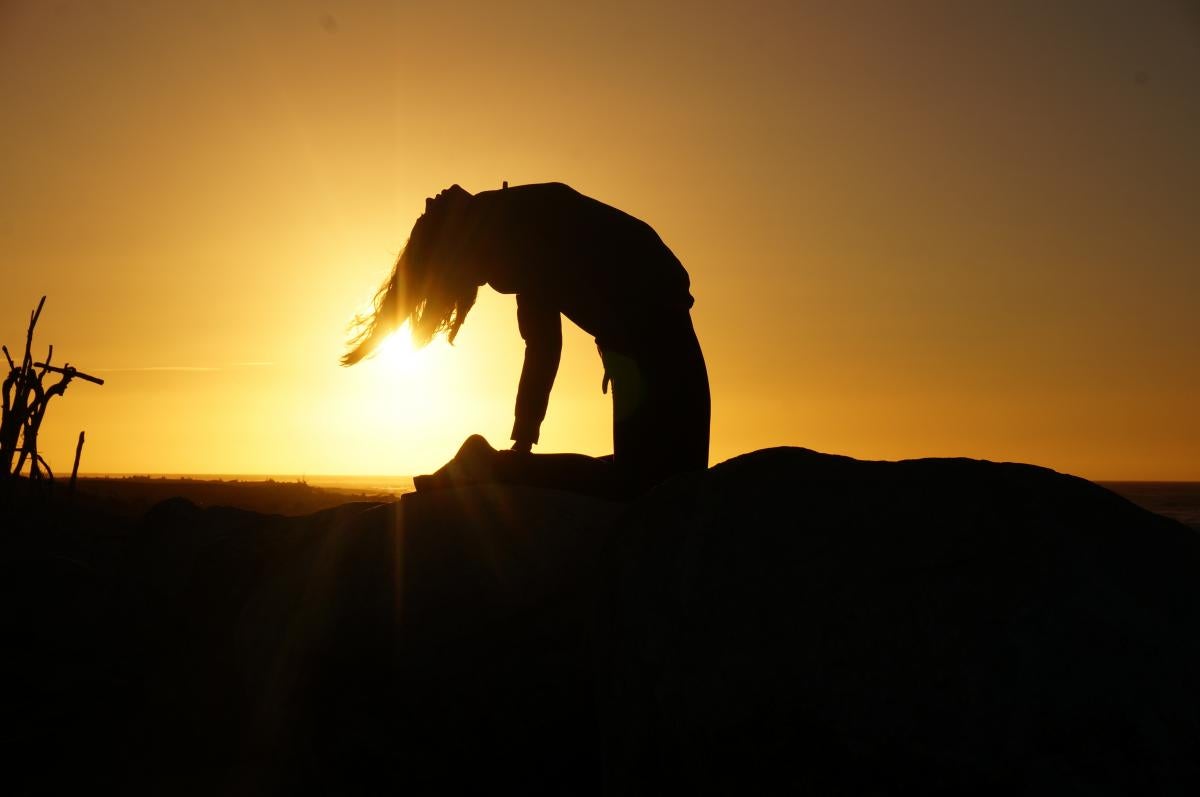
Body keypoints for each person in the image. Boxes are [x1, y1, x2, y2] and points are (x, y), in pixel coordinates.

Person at [342, 181, 709, 496]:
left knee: (657, 481)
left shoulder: (509, 234)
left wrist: (524, 440)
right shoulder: (507, 221)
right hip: (644, 338)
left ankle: (485, 465)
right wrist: (523, 439)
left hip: (650, 332)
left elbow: (543, 344)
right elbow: (543, 341)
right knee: (653, 485)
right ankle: (486, 465)